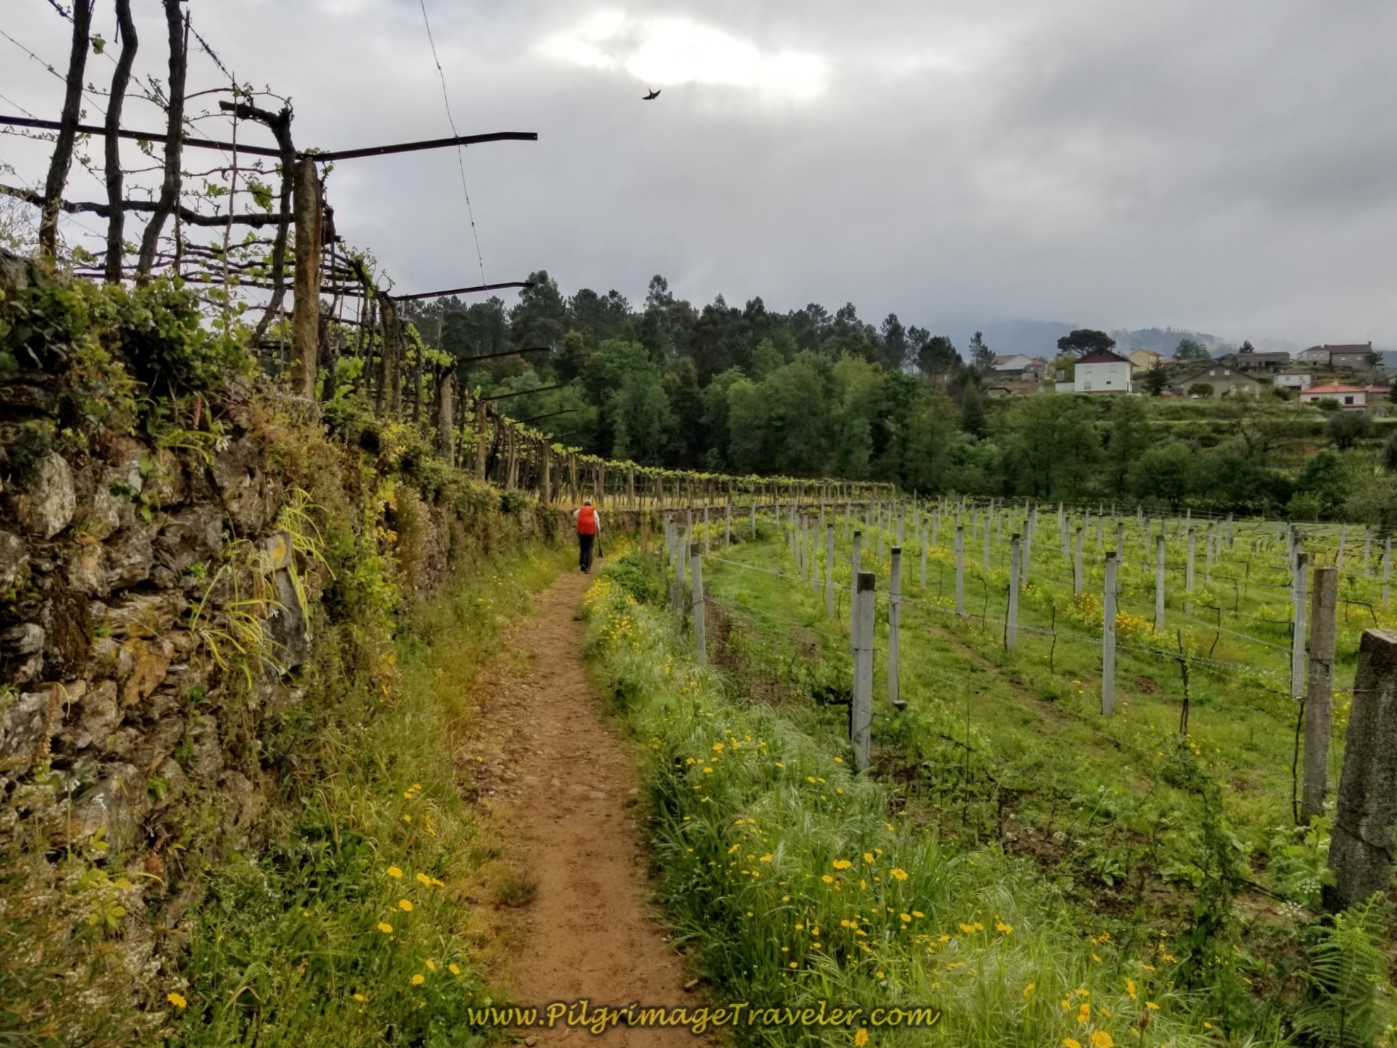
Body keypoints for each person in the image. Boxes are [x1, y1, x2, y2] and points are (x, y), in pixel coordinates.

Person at [573, 498, 601, 573]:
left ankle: (582, 564)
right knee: (589, 549)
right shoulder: (593, 511)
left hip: (582, 532)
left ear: (584, 504)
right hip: (591, 532)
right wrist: (599, 534)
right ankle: (588, 567)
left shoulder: (580, 510)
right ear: (590, 504)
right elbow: (597, 523)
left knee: (583, 548)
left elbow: (574, 514)